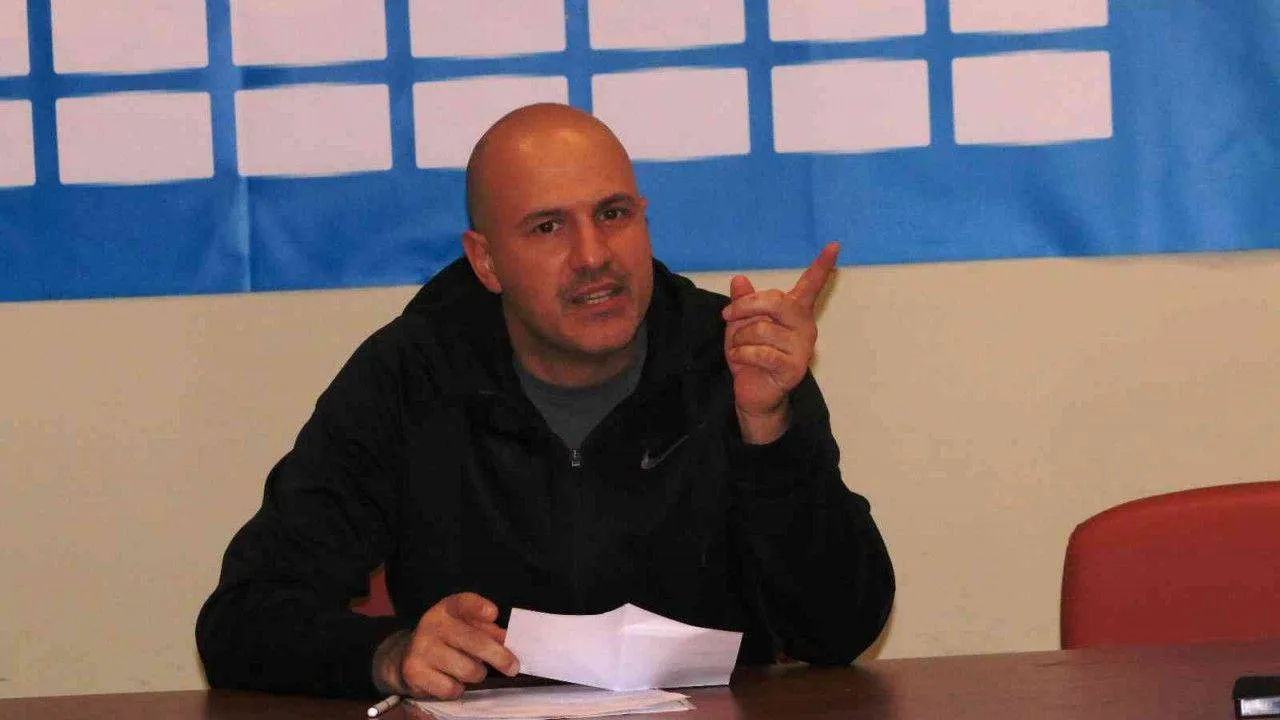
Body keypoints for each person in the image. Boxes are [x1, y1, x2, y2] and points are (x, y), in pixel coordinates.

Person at [196, 103, 894, 700]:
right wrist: (390, 654)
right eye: (547, 227)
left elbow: (842, 630)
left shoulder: (733, 359)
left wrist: (769, 430)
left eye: (613, 214)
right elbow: (241, 621)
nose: (594, 255)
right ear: (485, 261)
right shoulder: (411, 374)